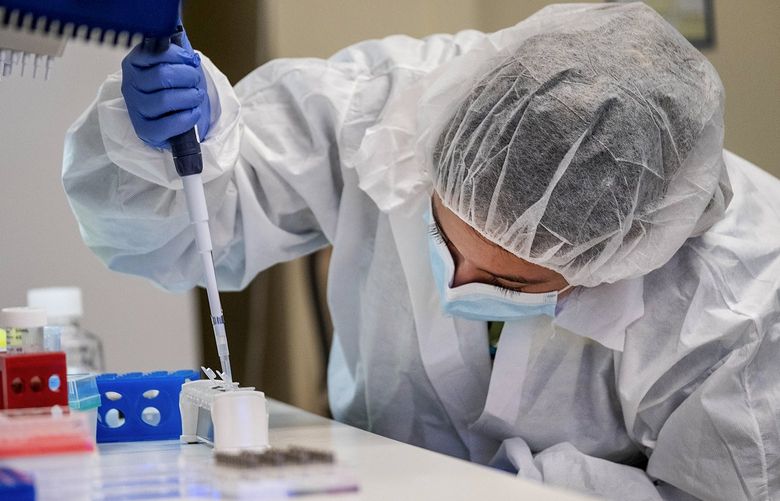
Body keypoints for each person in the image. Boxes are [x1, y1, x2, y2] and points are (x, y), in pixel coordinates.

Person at [63, 3, 780, 500]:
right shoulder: (392, 115)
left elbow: (727, 485)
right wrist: (164, 147)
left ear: (620, 258)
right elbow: (166, 232)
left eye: (507, 280)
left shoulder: (737, 297)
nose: (458, 281)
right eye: (442, 236)